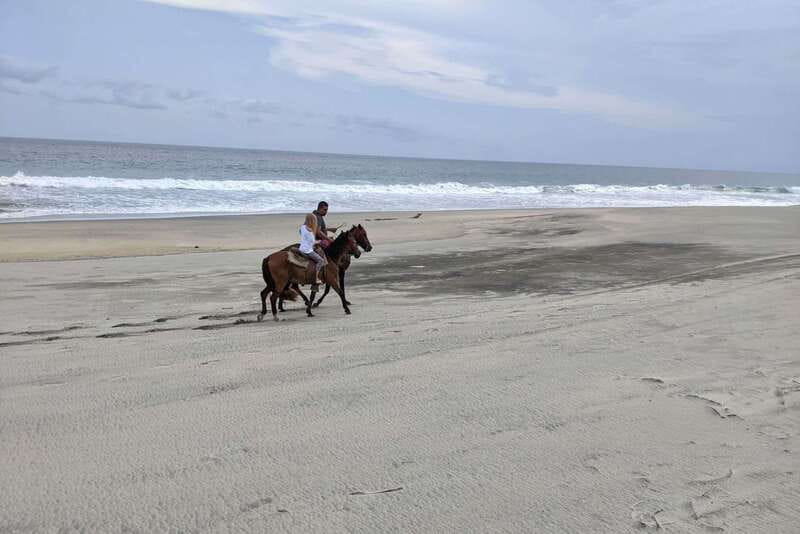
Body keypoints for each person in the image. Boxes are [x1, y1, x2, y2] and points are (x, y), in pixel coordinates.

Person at [299, 213, 327, 285]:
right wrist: (320, 241)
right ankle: (316, 278)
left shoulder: (303, 227)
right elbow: (313, 242)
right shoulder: (310, 232)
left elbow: (300, 232)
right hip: (307, 251)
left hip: (301, 248)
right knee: (321, 260)